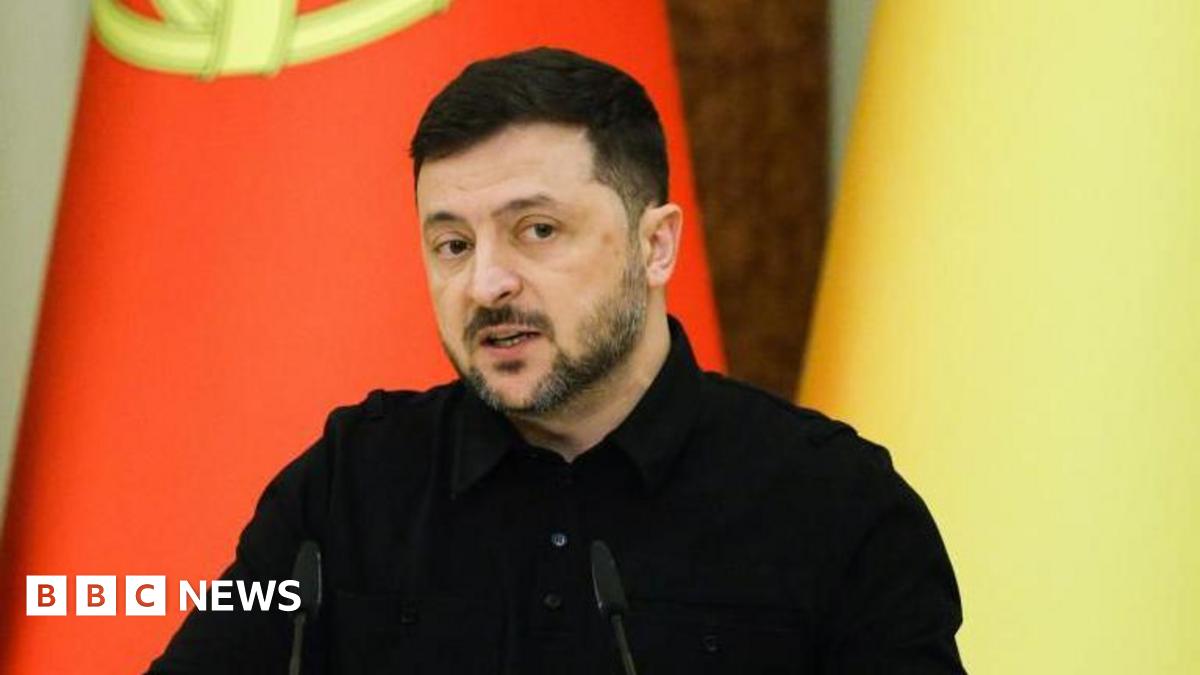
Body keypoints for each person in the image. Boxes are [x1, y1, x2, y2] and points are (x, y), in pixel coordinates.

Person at [148, 47, 965, 674]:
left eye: (538, 229)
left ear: (656, 244)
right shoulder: (348, 488)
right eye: (452, 244)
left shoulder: (835, 506)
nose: (487, 282)